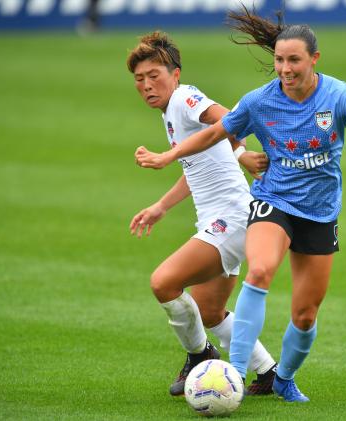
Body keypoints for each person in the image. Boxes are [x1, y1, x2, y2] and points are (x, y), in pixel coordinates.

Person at [134, 7, 346, 402]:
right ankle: (234, 374)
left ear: (314, 59)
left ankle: (279, 376)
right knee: (254, 276)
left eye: (293, 60)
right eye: (279, 60)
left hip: (316, 212)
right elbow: (216, 136)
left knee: (304, 316)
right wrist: (166, 188)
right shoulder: (259, 100)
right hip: (270, 201)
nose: (285, 68)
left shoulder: (338, 95)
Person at [126, 31, 278, 397]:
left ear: (175, 74)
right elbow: (199, 166)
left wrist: (243, 155)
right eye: (139, 80)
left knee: (163, 283)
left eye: (154, 75)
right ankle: (269, 372)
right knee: (210, 310)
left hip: (230, 220)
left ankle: (199, 355)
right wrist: (161, 206)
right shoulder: (171, 113)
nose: (147, 85)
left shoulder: (184, 97)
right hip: (231, 219)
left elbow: (228, 118)